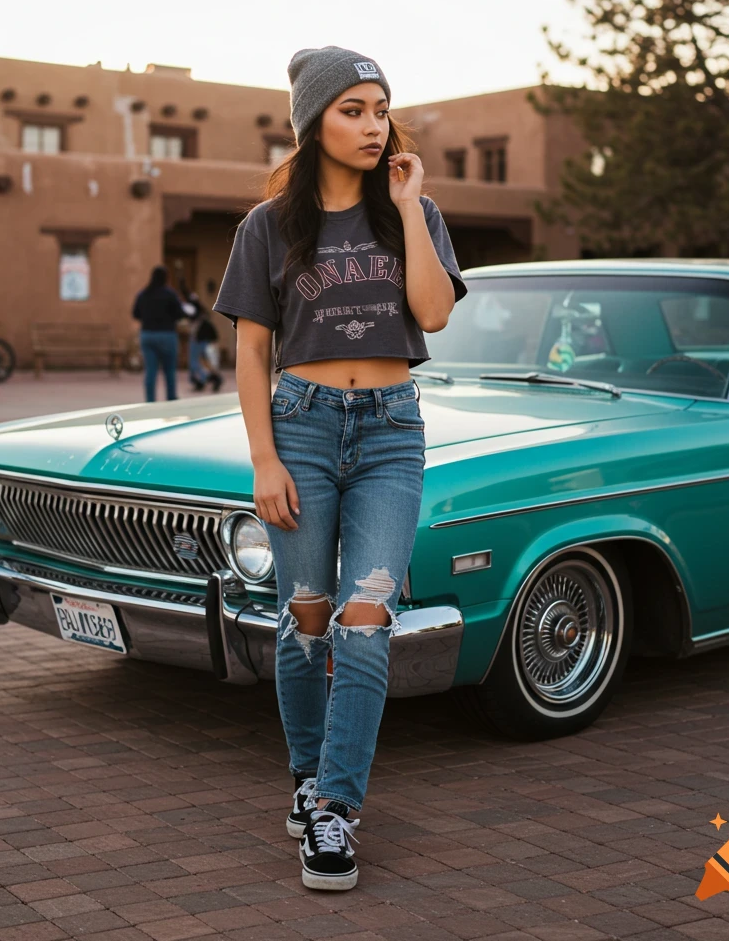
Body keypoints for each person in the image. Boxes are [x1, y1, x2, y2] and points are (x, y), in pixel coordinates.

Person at [212, 47, 466, 891]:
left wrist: (407, 205)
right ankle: (306, 772)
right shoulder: (267, 226)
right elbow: (253, 353)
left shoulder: (414, 212)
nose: (372, 125)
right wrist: (264, 459)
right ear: (312, 123)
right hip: (303, 428)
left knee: (367, 616)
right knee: (306, 617)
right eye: (352, 109)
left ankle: (335, 809)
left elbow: (433, 313)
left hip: (391, 431)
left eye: (380, 109)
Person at [131, 266, 193, 401]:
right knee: (169, 371)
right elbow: (180, 313)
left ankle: (150, 401)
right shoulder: (170, 294)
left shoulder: (143, 294)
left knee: (150, 371)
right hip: (167, 335)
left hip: (147, 335)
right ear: (166, 278)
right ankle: (171, 399)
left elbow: (135, 314)